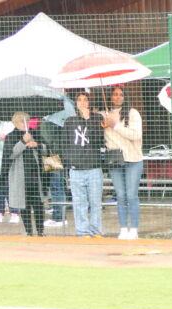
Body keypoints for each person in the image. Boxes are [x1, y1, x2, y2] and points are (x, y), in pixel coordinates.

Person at [101, 86, 143, 240]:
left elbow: (136, 135)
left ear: (125, 97)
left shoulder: (133, 113)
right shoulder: (104, 114)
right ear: (110, 97)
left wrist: (116, 126)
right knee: (120, 195)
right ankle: (123, 228)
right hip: (115, 160)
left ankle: (134, 229)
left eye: (120, 95)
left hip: (133, 159)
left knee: (132, 195)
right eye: (115, 94)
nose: (117, 97)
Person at [63, 91, 105, 238]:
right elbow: (65, 144)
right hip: (76, 169)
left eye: (85, 99)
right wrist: (70, 162)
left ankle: (96, 230)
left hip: (93, 167)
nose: (82, 102)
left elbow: (97, 139)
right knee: (80, 203)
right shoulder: (69, 121)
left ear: (89, 102)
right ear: (75, 103)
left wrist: (88, 120)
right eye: (79, 100)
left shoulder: (97, 118)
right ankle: (82, 231)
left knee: (95, 202)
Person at [5, 112, 45, 236]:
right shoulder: (11, 136)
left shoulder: (35, 132)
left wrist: (37, 144)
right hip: (20, 177)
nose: (26, 123)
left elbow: (46, 147)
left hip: (36, 175)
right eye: (23, 121)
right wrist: (23, 141)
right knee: (24, 205)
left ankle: (40, 231)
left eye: (27, 121)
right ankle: (29, 231)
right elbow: (10, 154)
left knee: (38, 204)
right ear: (15, 123)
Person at [38, 117, 67, 230]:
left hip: (53, 156)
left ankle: (58, 217)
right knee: (57, 186)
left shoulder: (51, 121)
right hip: (54, 155)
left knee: (56, 187)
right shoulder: (54, 120)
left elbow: (47, 139)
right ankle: (58, 214)